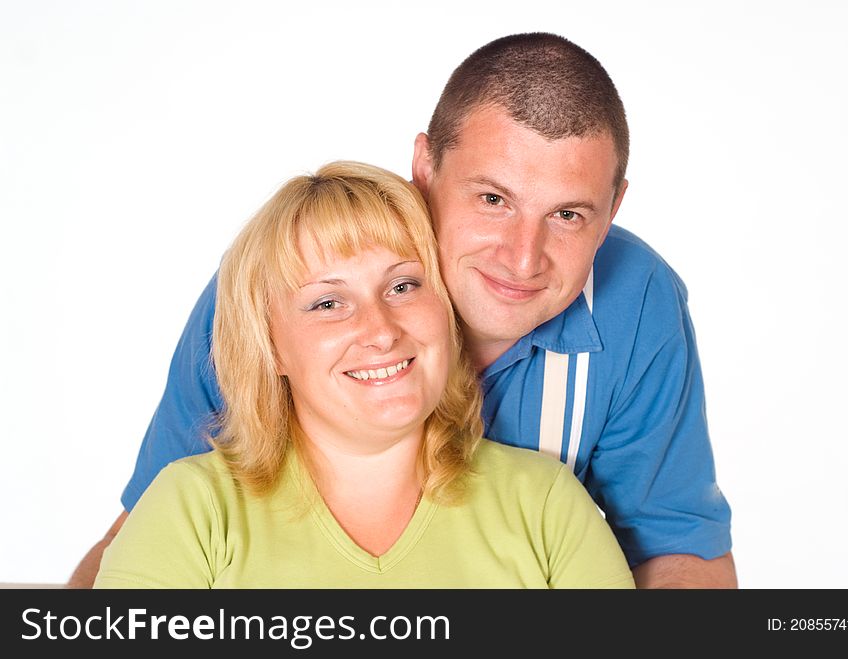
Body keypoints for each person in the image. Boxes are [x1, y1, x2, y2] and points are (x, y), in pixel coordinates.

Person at [73, 32, 736, 588]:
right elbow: (146, 535)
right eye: (492, 199)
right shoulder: (272, 287)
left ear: (613, 209)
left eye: (566, 214)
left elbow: (678, 548)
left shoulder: (632, 308)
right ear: (425, 166)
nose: (522, 257)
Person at [93, 161, 635, 588]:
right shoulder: (192, 511)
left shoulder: (548, 507)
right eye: (328, 302)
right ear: (270, 346)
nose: (380, 330)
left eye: (403, 286)